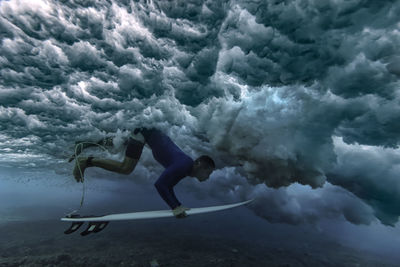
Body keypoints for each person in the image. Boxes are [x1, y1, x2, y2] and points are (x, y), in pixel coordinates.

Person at [72, 128, 215, 218]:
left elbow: (168, 186)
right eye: (207, 173)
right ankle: (86, 161)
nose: (207, 178)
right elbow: (160, 185)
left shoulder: (186, 169)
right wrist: (175, 207)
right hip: (145, 134)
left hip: (147, 133)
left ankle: (86, 144)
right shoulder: (183, 166)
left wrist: (177, 205)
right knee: (126, 168)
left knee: (117, 144)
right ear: (199, 164)